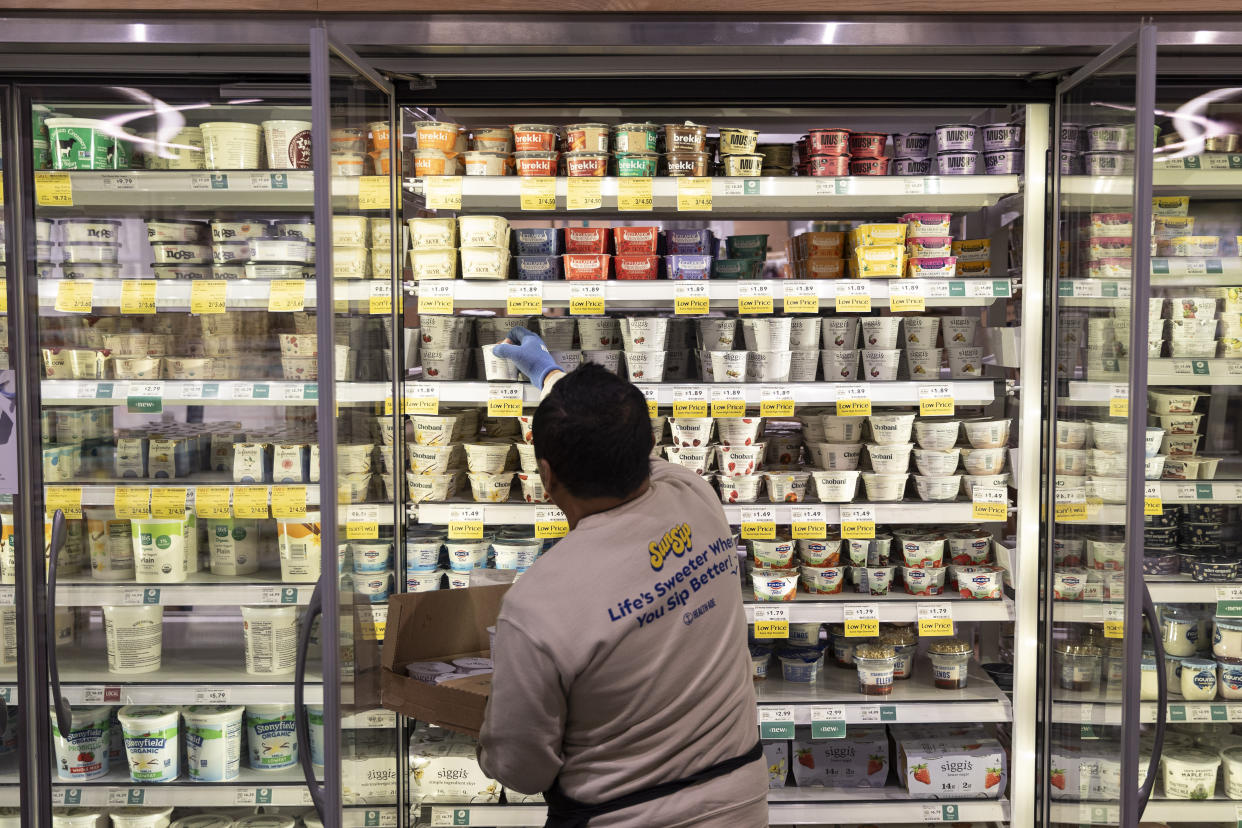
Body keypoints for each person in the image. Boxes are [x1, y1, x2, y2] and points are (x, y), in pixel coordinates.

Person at [477, 327, 767, 828]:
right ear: (647, 447)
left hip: (622, 816)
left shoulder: (537, 606)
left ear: (545, 477)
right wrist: (551, 377)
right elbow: (624, 444)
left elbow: (520, 769)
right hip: (741, 801)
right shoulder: (693, 493)